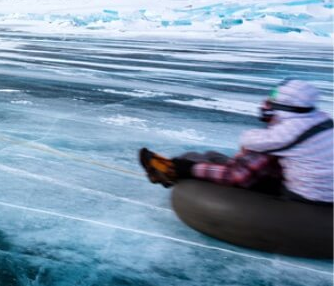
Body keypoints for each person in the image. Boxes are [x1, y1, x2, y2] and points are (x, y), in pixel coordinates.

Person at [140, 79, 333, 204]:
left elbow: (237, 176)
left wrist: (186, 168)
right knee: (211, 156)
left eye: (273, 99)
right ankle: (180, 167)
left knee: (193, 160)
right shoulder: (321, 121)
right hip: (325, 191)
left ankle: (171, 171)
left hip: (306, 197)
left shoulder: (278, 137)